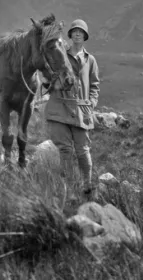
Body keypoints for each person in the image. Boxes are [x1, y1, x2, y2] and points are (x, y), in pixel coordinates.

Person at [44, 19, 100, 198]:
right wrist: (53, 80)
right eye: (74, 31)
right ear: (70, 35)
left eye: (81, 32)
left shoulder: (90, 60)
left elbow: (95, 85)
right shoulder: (60, 55)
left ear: (85, 36)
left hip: (81, 110)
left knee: (83, 150)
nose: (77, 34)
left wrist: (91, 103)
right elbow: (46, 79)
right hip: (59, 107)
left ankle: (87, 187)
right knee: (65, 150)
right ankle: (68, 190)